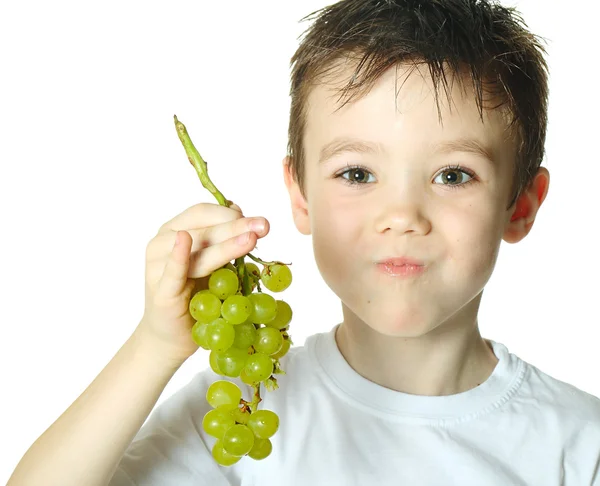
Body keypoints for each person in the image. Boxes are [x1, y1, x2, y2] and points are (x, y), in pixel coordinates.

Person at [7, 0, 600, 485]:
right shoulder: (241, 409)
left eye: (453, 175)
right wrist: (154, 347)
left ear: (520, 205)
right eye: (357, 174)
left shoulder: (579, 445)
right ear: (300, 195)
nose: (401, 216)